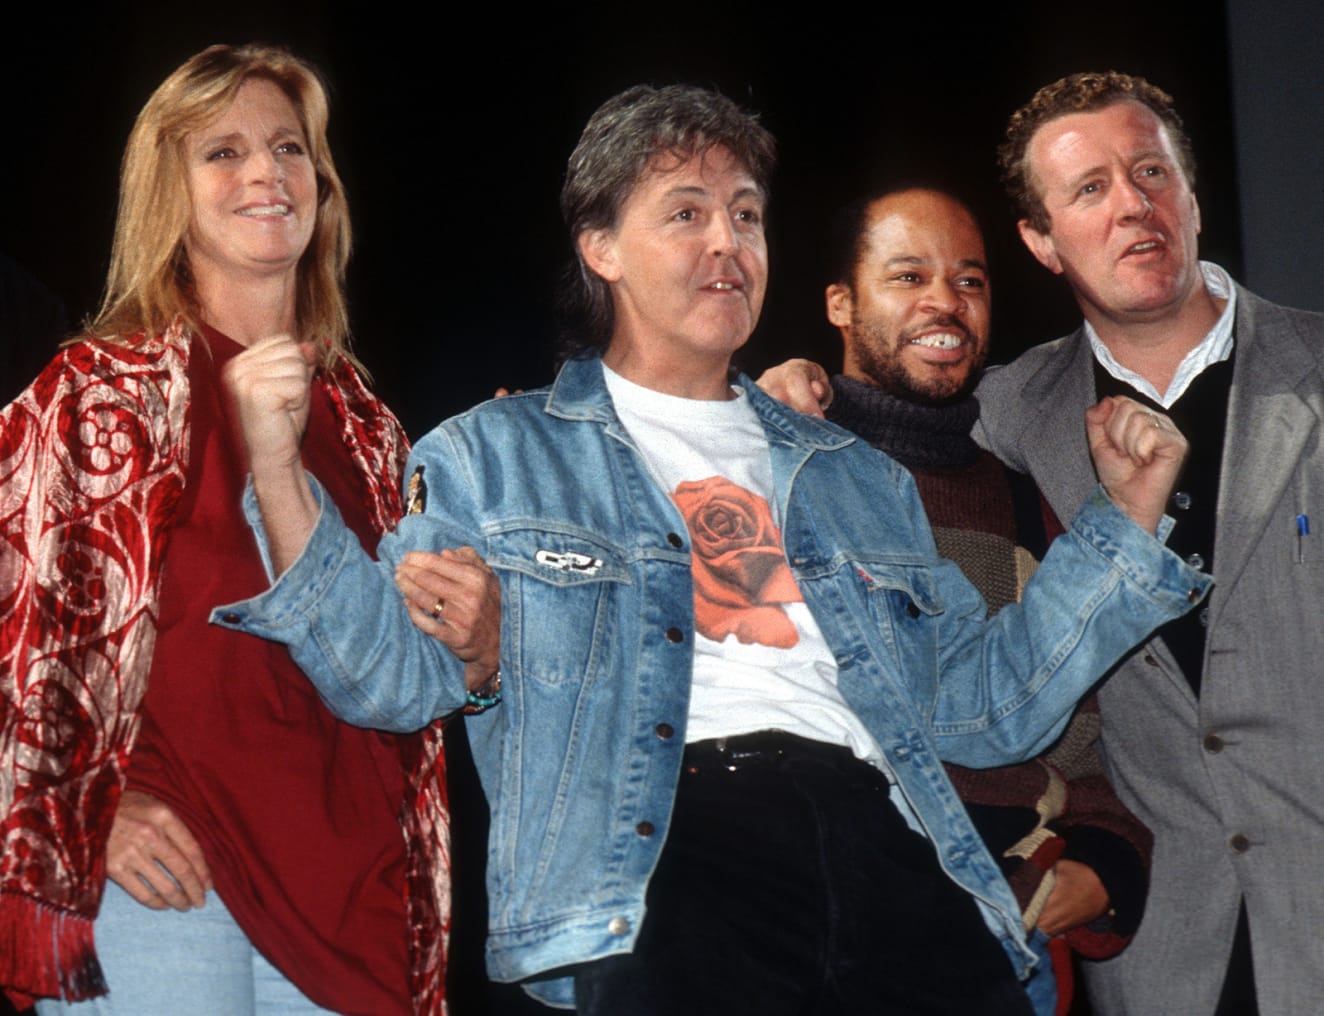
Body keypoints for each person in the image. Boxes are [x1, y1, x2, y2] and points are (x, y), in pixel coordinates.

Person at [218, 83, 1207, 1014]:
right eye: (684, 212)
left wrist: (1122, 523)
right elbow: (388, 680)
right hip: (665, 864)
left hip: (887, 849)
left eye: (744, 212)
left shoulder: (855, 475)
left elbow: (986, 710)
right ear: (600, 245)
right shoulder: (496, 455)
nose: (727, 240)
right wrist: (274, 467)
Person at [0, 44, 494, 1015]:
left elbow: (403, 681)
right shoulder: (87, 395)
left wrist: (479, 659)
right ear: (167, 194)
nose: (267, 171)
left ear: (323, 185)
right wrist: (79, 814)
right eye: (222, 152)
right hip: (169, 885)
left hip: (360, 902)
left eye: (289, 147)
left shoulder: (371, 429)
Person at [968, 71, 1324, 1016]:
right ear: (1041, 243)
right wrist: (799, 395)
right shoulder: (1007, 417)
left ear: (1194, 196)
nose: (1133, 204)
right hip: (1165, 949)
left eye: (1151, 172)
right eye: (1090, 188)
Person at [820, 184, 1153, 1015]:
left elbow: (1086, 744)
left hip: (998, 936)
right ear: (839, 302)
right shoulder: (773, 474)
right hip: (814, 918)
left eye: (969, 280)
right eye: (907, 276)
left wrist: (1099, 866)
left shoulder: (1025, 502)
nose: (945, 301)